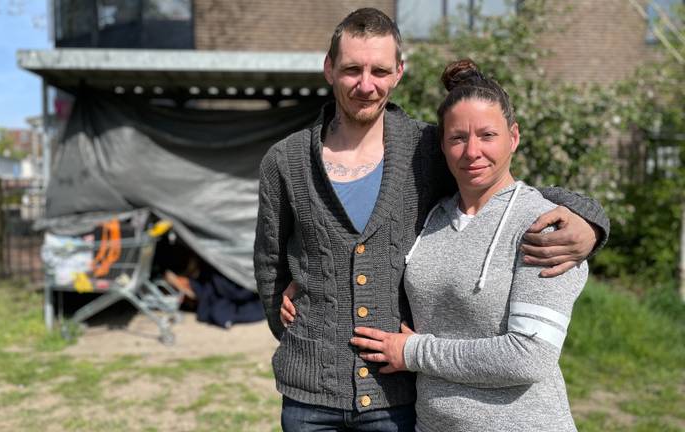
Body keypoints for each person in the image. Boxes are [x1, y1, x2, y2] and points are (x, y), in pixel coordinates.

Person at [254, 8, 608, 431]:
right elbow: (270, 261)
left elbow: (498, 185)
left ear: (399, 72)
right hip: (310, 398)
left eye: (380, 70)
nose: (366, 85)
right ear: (329, 68)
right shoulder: (286, 161)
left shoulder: (427, 148)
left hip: (397, 396)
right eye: (352, 69)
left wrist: (590, 221)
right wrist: (297, 319)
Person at [350, 59, 586, 431]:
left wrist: (413, 352)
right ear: (442, 146)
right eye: (458, 138)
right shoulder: (432, 218)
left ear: (514, 137)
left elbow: (529, 356)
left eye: (487, 135)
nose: (472, 151)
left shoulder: (544, 226)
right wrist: (304, 274)